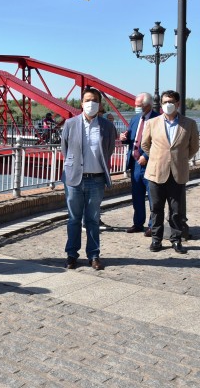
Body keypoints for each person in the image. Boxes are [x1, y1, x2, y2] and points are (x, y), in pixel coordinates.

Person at [61, 87, 117, 270]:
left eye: (94, 100)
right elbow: (65, 149)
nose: (90, 103)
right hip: (74, 179)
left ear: (99, 104)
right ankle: (71, 255)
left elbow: (108, 150)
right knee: (73, 219)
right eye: (87, 100)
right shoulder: (70, 124)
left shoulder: (107, 127)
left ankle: (94, 255)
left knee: (93, 220)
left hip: (96, 179)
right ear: (81, 103)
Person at [141, 90, 199, 255]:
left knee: (176, 211)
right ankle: (156, 239)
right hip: (156, 172)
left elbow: (194, 147)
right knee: (156, 209)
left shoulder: (189, 123)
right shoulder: (152, 123)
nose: (168, 104)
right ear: (161, 104)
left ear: (178, 104)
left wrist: (179, 158)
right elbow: (145, 145)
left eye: (171, 101)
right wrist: (157, 157)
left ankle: (176, 239)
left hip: (177, 172)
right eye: (165, 101)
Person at [120, 92, 159, 237]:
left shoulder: (158, 119)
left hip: (150, 164)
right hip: (135, 164)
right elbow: (131, 137)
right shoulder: (135, 119)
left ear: (148, 105)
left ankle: (152, 225)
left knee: (153, 197)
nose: (136, 108)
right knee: (137, 196)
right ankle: (138, 223)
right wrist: (124, 137)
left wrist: (147, 156)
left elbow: (160, 142)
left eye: (138, 106)